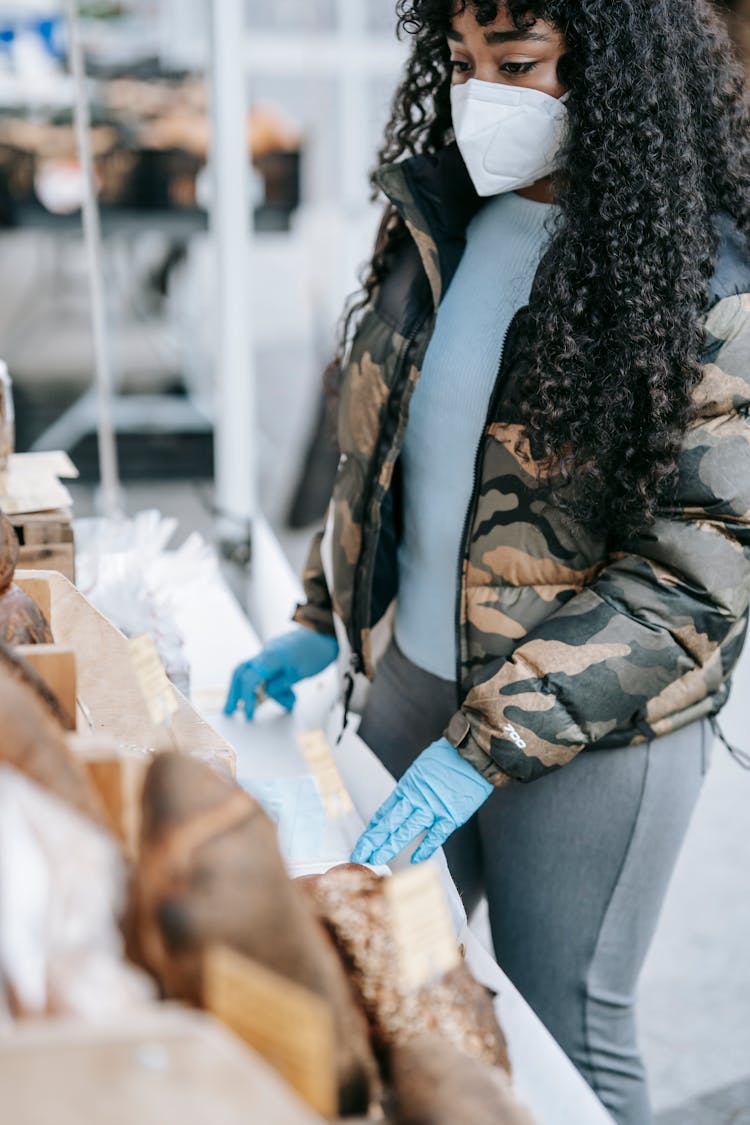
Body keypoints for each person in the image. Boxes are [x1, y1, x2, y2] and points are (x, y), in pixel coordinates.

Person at [225, 2, 750, 1121]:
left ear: (613, 72)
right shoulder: (444, 216)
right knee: (383, 988)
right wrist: (321, 613)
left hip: (592, 747)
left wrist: (485, 748)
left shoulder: (708, 281)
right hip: (413, 688)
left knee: (568, 1036)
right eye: (460, 62)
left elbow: (690, 581)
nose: (481, 94)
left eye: (517, 64)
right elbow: (390, 455)